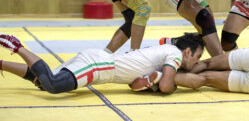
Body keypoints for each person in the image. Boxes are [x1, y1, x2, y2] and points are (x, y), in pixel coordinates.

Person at [0, 32, 204, 94]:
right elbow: (168, 86)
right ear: (187, 51)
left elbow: (134, 85)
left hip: (98, 63)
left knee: (42, 81)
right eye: (197, 57)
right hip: (98, 66)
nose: (196, 63)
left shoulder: (163, 53)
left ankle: (1, 64)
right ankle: (17, 46)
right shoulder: (175, 54)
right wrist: (168, 80)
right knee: (52, 84)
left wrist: (154, 79)